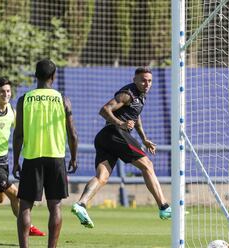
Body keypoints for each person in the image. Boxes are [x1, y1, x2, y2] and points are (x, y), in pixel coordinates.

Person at [71, 67, 171, 228]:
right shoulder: (128, 94)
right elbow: (104, 110)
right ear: (135, 80)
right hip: (115, 133)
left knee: (102, 177)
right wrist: (120, 124)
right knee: (148, 165)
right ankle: (164, 207)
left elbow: (135, 117)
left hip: (105, 137)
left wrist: (144, 139)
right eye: (143, 80)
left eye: (150, 80)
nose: (147, 84)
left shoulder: (140, 96)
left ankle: (80, 204)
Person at [13, 59, 78, 248]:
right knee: (55, 206)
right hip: (56, 157)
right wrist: (74, 158)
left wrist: (16, 161)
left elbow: (18, 135)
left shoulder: (24, 99)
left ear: (35, 76)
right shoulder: (62, 99)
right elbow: (72, 133)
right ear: (53, 76)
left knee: (25, 205)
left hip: (32, 157)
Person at [0, 77, 45, 236]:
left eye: (8, 91)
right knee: (16, 194)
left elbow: (22, 133)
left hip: (4, 161)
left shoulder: (13, 112)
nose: (5, 94)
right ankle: (28, 227)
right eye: (2, 91)